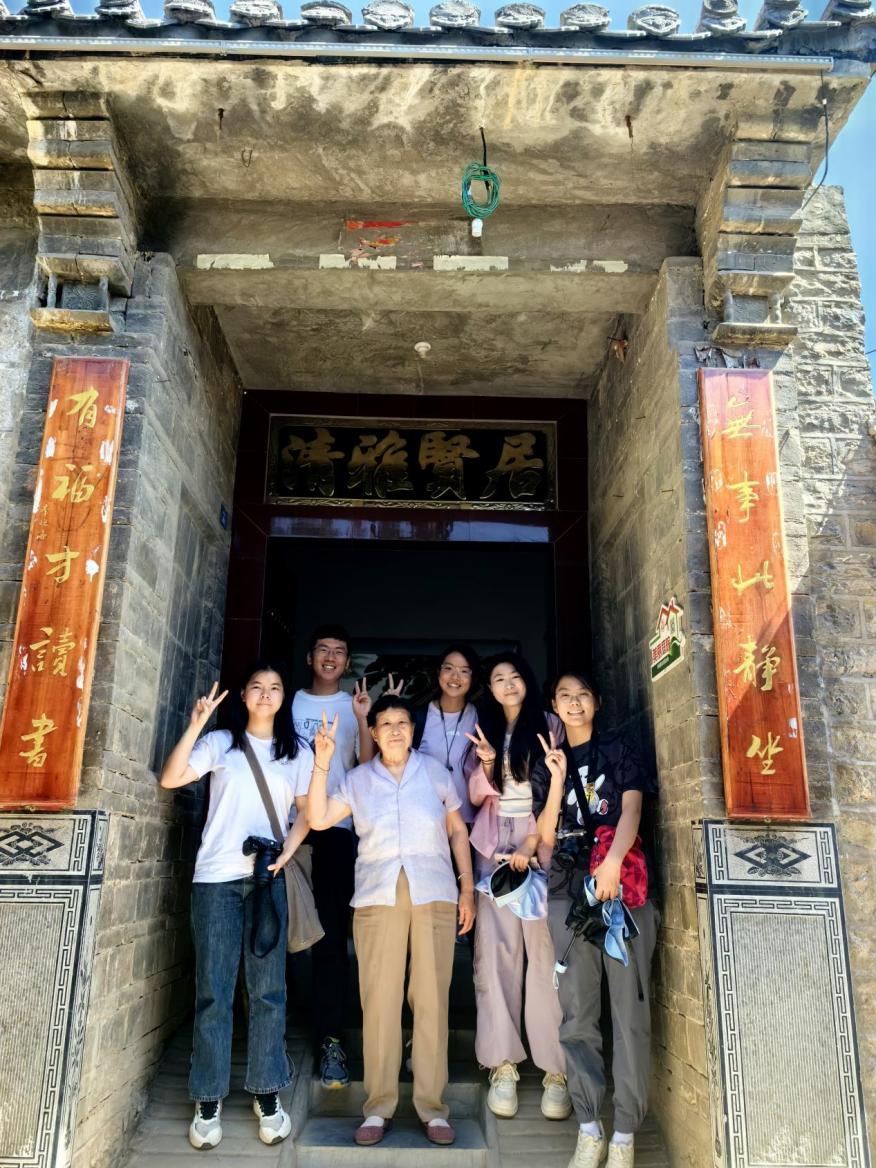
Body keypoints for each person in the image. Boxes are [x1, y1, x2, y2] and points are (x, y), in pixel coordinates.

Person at [278, 695, 475, 1148]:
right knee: (380, 1000)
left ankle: (432, 1108)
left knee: (431, 999)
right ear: (373, 732)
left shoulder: (435, 772)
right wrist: (322, 762)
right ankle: (378, 1106)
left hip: (434, 892)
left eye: (402, 722)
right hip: (376, 897)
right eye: (385, 723)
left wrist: (467, 889)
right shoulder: (358, 780)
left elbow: (457, 830)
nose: (394, 730)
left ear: (413, 730)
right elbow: (318, 818)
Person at [158, 660, 313, 1151]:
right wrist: (197, 723)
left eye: (275, 687)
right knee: (214, 990)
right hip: (216, 880)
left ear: (284, 697)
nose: (265, 694)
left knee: (268, 991)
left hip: (268, 880)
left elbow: (309, 813)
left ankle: (267, 1091)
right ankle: (208, 1098)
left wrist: (285, 853)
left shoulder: (298, 751)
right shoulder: (222, 742)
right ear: (243, 696)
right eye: (256, 687)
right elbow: (171, 777)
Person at [532, 671, 659, 1168]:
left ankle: (624, 1133)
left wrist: (612, 863)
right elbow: (545, 836)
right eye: (564, 696)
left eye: (582, 694)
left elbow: (632, 810)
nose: (574, 702)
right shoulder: (549, 760)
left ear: (597, 702)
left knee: (629, 1013)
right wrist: (557, 778)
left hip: (622, 888)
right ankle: (589, 1126)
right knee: (577, 1011)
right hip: (569, 891)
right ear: (554, 706)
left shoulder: (620, 748)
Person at [466, 653, 570, 1122]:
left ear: (526, 681)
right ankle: (502, 1063)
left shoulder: (550, 723)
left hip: (540, 841)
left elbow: (560, 789)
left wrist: (533, 841)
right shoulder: (484, 726)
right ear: (488, 688)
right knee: (495, 954)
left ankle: (555, 1069)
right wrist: (487, 764)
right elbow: (474, 795)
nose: (507, 684)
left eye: (514, 677)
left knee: (545, 956)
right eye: (498, 679)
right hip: (493, 845)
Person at [291, 624, 373, 1089]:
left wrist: (362, 719)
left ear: (346, 662)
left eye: (339, 651)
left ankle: (330, 1039)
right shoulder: (288, 702)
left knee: (329, 937)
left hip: (335, 832)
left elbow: (365, 766)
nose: (330, 657)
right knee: (275, 934)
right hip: (284, 831)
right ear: (309, 657)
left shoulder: (352, 705)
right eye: (322, 649)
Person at [413, 644, 480, 826]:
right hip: (426, 820)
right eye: (448, 668)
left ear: (473, 677)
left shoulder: (482, 718)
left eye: (464, 671)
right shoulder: (418, 716)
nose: (455, 677)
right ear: (438, 672)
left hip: (469, 821)